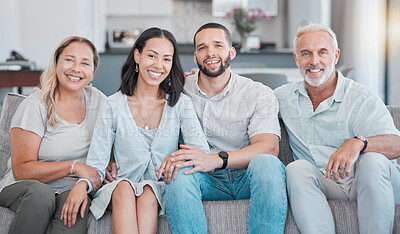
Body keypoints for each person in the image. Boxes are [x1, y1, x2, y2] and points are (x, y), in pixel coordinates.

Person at [63, 27, 210, 234]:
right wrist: (82, 184)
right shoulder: (113, 105)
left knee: (149, 192)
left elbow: (201, 151)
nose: (159, 65)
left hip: (161, 188)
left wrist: (176, 158)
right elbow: (97, 161)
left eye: (166, 59)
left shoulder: (180, 104)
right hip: (122, 186)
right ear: (137, 56)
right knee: (124, 188)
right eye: (152, 56)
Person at [274, 23, 400, 234]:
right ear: (296, 59)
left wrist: (359, 143)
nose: (314, 61)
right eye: (306, 53)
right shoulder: (282, 97)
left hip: (372, 180)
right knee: (296, 168)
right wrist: (202, 82)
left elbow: (396, 144)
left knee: (371, 160)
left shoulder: (360, 96)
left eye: (322, 52)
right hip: (327, 183)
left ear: (336, 56)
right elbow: (247, 103)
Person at [164, 23, 287, 233]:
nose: (210, 52)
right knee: (178, 173)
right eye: (202, 47)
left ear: (231, 52)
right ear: (195, 57)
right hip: (205, 179)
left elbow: (268, 147)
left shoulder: (258, 93)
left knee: (268, 164)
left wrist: (215, 159)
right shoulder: (178, 90)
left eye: (218, 45)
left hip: (247, 176)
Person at [0, 36, 105, 234]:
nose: (76, 68)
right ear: (56, 63)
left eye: (84, 63)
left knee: (76, 207)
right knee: (42, 194)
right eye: (69, 60)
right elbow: (21, 170)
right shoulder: (35, 105)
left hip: (70, 187)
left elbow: (127, 125)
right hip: (25, 186)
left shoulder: (99, 102)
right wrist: (73, 167)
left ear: (92, 73)